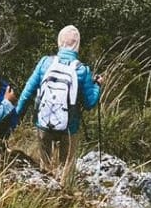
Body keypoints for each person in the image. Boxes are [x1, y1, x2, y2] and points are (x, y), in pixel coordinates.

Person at [17, 25, 102, 176]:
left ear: (59, 42)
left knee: (44, 167)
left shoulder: (45, 63)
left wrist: (16, 114)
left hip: (43, 123)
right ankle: (65, 193)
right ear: (78, 45)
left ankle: (45, 192)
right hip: (69, 128)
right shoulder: (82, 70)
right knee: (66, 169)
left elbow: (27, 91)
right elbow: (90, 103)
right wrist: (98, 86)